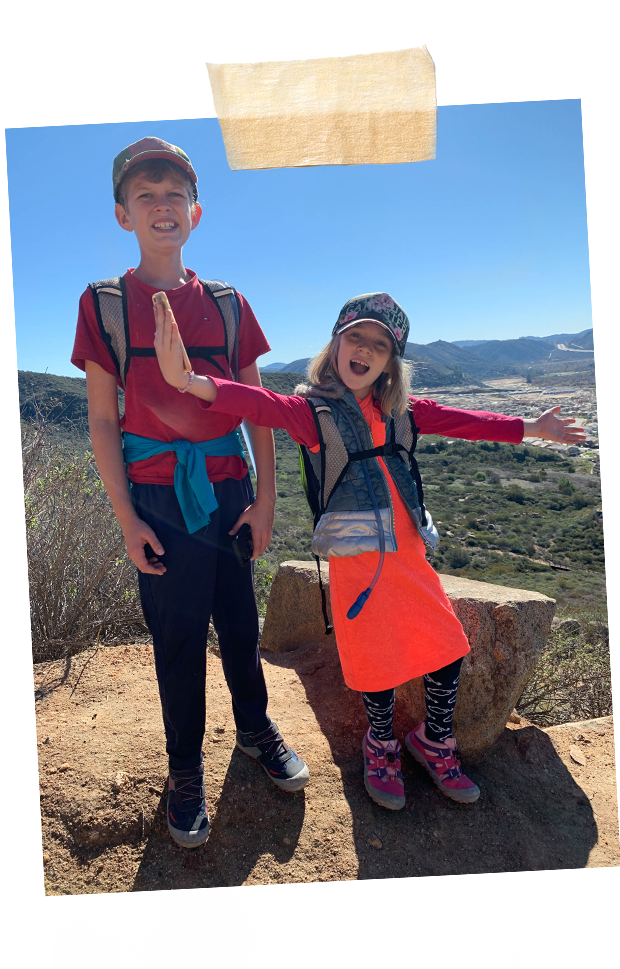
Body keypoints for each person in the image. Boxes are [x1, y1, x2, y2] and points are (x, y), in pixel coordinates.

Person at [153, 290, 586, 812]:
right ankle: (380, 747)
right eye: (354, 337)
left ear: (390, 362)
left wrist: (534, 429)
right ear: (336, 344)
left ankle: (433, 742)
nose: (364, 349)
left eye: (378, 345)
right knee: (376, 662)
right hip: (359, 566)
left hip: (408, 559)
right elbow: (254, 403)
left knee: (447, 647)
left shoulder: (403, 412)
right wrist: (189, 381)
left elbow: (465, 421)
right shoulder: (311, 414)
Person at [71, 137, 309, 850]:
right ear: (123, 215)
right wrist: (124, 518)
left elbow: (259, 408)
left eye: (174, 194)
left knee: (240, 623)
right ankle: (183, 770)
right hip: (157, 498)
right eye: (146, 195)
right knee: (177, 638)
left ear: (196, 212)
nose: (162, 206)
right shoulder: (105, 305)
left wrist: (265, 501)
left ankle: (254, 729)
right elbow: (102, 419)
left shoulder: (229, 304)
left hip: (229, 487)